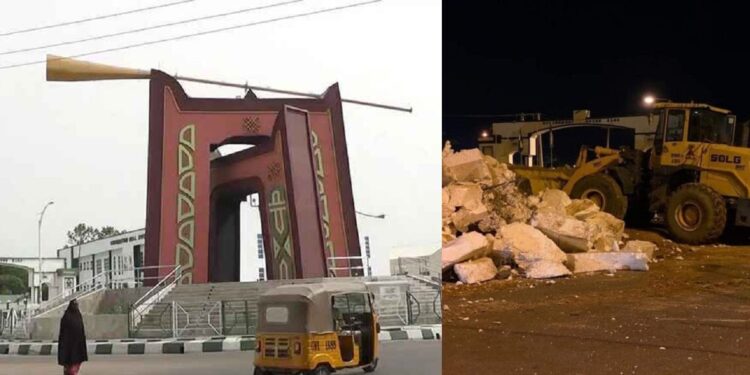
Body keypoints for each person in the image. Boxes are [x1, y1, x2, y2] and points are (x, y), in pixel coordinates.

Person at [58, 299, 88, 375]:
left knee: (73, 366)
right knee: (70, 367)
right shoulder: (68, 316)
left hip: (75, 345)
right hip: (70, 346)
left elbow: (81, 330)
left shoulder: (76, 315)